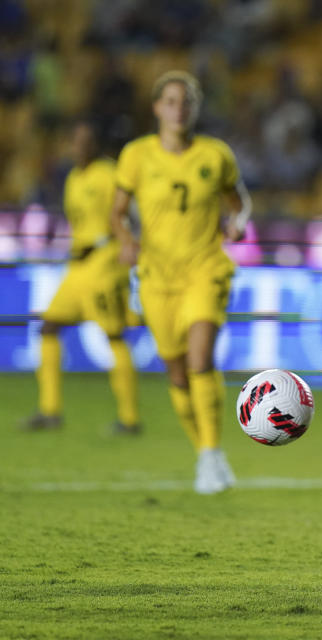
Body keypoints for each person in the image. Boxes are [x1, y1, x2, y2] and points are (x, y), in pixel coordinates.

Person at [111, 70, 251, 495]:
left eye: (186, 101)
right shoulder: (136, 156)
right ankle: (205, 453)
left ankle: (209, 455)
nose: (179, 109)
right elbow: (117, 212)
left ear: (195, 107)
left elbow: (239, 202)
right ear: (157, 108)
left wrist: (238, 223)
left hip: (204, 268)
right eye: (170, 101)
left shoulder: (215, 155)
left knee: (199, 359)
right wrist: (127, 240)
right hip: (156, 277)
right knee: (175, 372)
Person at [19, 119, 140, 434]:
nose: (81, 146)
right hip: (78, 266)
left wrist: (124, 250)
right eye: (76, 141)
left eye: (87, 141)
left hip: (103, 264)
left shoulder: (109, 175)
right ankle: (50, 411)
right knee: (48, 326)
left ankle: (129, 419)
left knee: (114, 336)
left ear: (95, 145)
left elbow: (132, 214)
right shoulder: (73, 177)